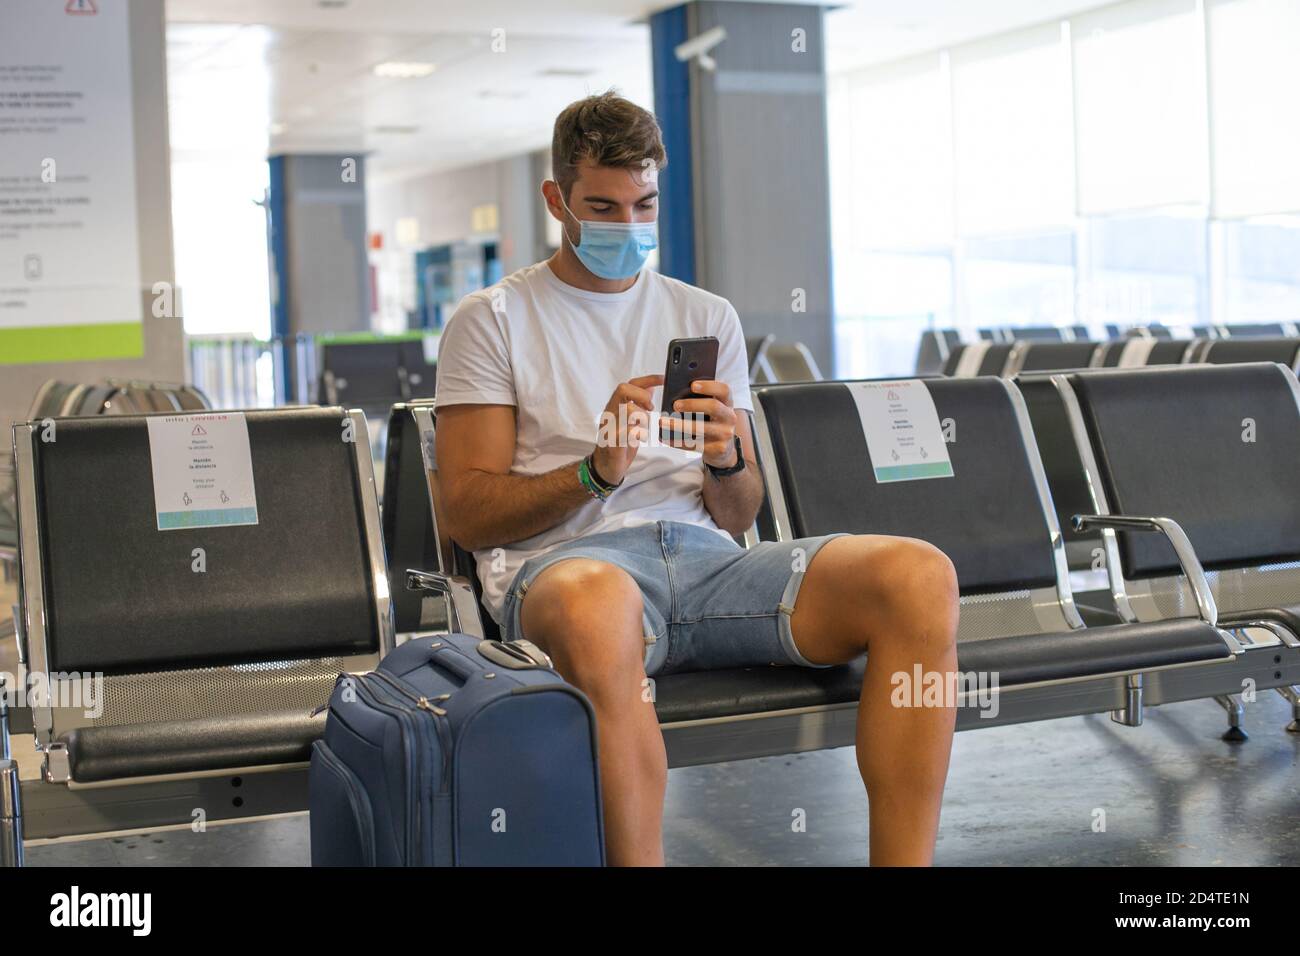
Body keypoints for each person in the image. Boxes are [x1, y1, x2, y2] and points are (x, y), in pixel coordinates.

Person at [433, 91, 959, 866]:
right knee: (594, 605)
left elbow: (739, 512)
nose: (628, 225)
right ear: (557, 200)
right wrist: (593, 470)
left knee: (919, 575)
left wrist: (726, 458)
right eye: (602, 207)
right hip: (572, 572)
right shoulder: (494, 320)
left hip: (708, 565)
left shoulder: (705, 315)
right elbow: (468, 515)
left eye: (643, 204)